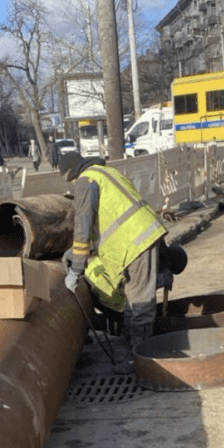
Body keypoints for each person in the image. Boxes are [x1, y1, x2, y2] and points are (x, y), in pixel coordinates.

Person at [59, 151, 167, 372]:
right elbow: (111, 221)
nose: (72, 184)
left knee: (139, 302)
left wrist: (76, 270)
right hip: (141, 237)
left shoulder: (85, 181)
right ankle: (135, 350)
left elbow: (83, 226)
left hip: (136, 242)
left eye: (69, 181)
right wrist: (77, 251)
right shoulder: (106, 173)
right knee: (133, 297)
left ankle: (141, 361)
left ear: (71, 175)